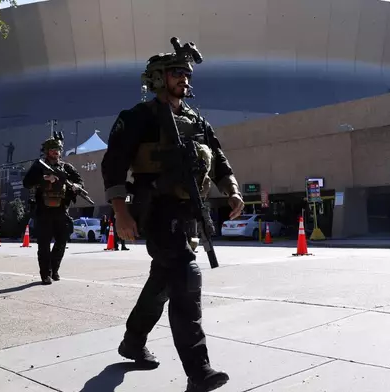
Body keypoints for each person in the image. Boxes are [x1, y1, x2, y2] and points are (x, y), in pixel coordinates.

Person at [100, 37, 244, 392]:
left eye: (186, 73)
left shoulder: (195, 119)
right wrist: (120, 212)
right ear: (157, 77)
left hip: (189, 210)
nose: (184, 79)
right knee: (186, 277)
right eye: (176, 72)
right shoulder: (138, 117)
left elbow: (218, 157)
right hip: (156, 209)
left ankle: (133, 341)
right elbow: (113, 165)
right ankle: (199, 371)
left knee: (162, 280)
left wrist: (232, 189)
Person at [23, 136, 84, 284]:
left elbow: (79, 181)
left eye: (58, 149)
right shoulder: (39, 166)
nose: (56, 152)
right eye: (52, 150)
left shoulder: (66, 168)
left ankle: (54, 269)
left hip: (61, 210)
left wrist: (77, 186)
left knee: (62, 241)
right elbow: (26, 183)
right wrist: (44, 178)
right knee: (43, 244)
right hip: (44, 210)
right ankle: (45, 274)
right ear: (46, 151)